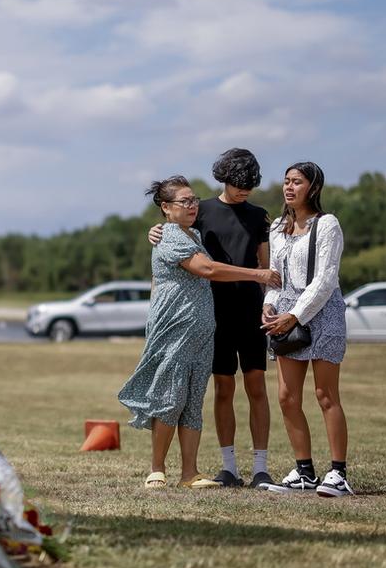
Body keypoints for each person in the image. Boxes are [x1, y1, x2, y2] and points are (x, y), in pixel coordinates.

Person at [119, 176, 280, 489]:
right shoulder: (169, 234)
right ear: (166, 208)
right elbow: (207, 269)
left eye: (194, 200)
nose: (193, 206)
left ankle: (189, 473)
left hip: (200, 331)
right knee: (171, 396)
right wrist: (258, 273)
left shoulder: (192, 233)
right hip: (175, 328)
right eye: (184, 201)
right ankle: (157, 469)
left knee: (192, 401)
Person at [259, 161, 352, 497]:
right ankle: (304, 472)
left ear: (312, 188)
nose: (288, 187)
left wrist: (295, 315)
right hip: (286, 315)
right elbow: (275, 276)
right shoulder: (277, 228)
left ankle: (338, 474)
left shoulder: (327, 225)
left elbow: (326, 279)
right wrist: (270, 303)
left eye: (296, 181)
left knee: (326, 395)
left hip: (322, 314)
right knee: (286, 397)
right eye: (285, 181)